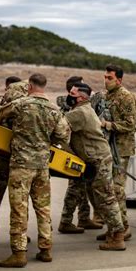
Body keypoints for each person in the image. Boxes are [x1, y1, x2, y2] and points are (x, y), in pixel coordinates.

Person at [0, 73, 70, 268]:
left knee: (19, 209)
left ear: (29, 86)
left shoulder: (21, 104)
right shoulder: (54, 109)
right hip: (42, 167)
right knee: (43, 209)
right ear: (44, 86)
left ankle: (18, 254)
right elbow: (63, 135)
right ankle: (46, 249)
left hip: (21, 166)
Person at [62, 82, 127, 250]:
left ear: (82, 98)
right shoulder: (85, 109)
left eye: (73, 94)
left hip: (97, 159)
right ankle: (113, 231)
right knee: (98, 197)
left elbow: (57, 127)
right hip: (96, 158)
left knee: (106, 198)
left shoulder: (79, 113)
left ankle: (118, 236)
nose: (69, 97)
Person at [0, 76, 28, 246]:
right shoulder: (13, 106)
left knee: (15, 198)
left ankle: (17, 234)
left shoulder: (9, 106)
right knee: (13, 197)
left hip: (9, 158)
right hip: (9, 158)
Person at [97, 64, 136, 241]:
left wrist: (108, 125)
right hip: (107, 148)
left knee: (117, 189)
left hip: (121, 149)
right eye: (105, 77)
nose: (106, 80)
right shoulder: (105, 96)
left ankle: (124, 227)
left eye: (109, 78)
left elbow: (130, 124)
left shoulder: (126, 97)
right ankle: (114, 226)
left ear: (119, 80)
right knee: (107, 190)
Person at [57, 76, 102, 234]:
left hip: (81, 153)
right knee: (75, 187)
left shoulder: (75, 108)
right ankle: (66, 220)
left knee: (80, 188)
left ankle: (83, 218)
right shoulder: (72, 109)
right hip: (74, 154)